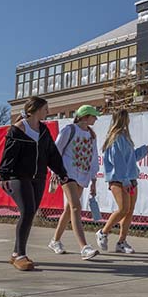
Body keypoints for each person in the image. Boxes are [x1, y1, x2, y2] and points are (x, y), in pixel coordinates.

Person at [0, 96, 68, 271]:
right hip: (18, 176)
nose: (48, 112)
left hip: (38, 177)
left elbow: (52, 154)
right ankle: (21, 255)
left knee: (31, 213)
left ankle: (15, 254)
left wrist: (61, 172)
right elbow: (9, 154)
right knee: (27, 211)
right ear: (36, 109)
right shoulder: (18, 128)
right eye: (45, 108)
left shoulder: (43, 130)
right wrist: (4, 175)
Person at [95, 109, 148, 254]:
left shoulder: (125, 137)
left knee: (129, 211)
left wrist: (144, 150)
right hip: (119, 180)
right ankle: (103, 232)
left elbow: (130, 158)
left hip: (130, 178)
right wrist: (125, 180)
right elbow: (118, 161)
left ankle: (121, 242)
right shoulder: (115, 138)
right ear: (122, 119)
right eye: (127, 118)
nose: (129, 121)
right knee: (123, 209)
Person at [48, 105, 101, 260]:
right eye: (93, 116)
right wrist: (55, 172)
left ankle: (55, 241)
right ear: (85, 117)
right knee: (76, 207)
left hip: (82, 175)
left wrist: (93, 180)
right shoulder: (69, 130)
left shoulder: (91, 134)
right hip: (67, 173)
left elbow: (93, 158)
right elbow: (55, 151)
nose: (96, 119)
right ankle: (84, 247)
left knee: (69, 209)